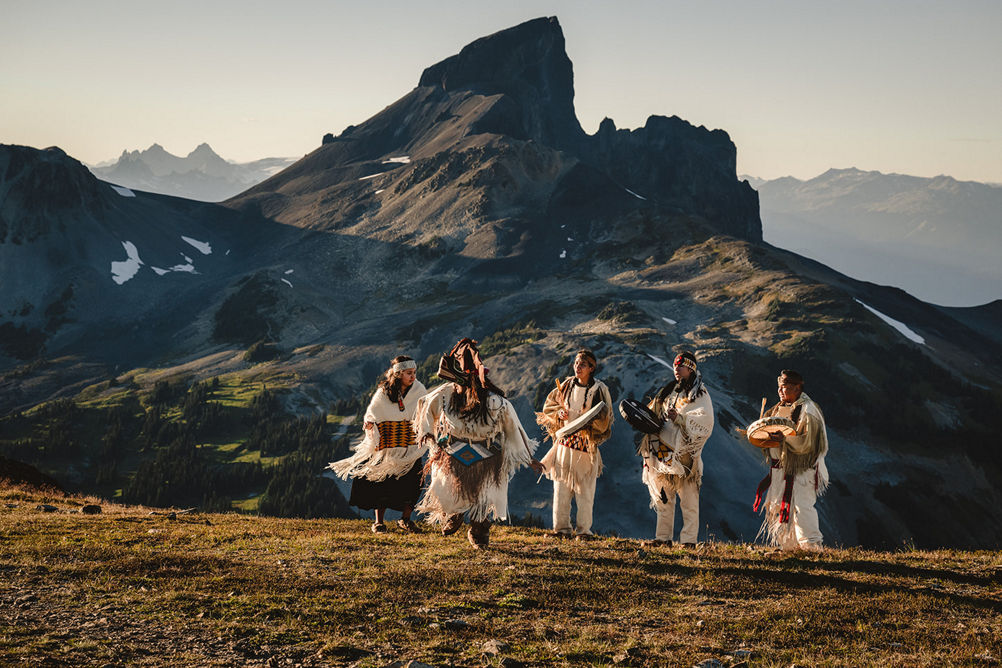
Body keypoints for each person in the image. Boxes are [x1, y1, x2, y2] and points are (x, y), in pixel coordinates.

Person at [413, 338, 543, 549]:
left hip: (486, 457)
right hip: (453, 453)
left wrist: (529, 458)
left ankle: (479, 529)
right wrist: (427, 433)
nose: (458, 386)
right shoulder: (445, 394)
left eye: (460, 382)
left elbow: (514, 429)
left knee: (484, 495)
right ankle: (454, 513)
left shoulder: (495, 402)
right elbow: (425, 407)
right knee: (449, 488)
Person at [328, 355, 427, 533]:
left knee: (414, 483)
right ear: (398, 374)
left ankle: (405, 519)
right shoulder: (384, 392)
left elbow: (426, 411)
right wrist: (370, 423)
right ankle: (378, 522)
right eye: (408, 373)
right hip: (387, 445)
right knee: (381, 482)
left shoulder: (419, 390)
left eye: (414, 372)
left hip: (410, 446)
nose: (413, 376)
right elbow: (372, 412)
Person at [638, 351, 714, 546]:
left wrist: (679, 418)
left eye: (681, 366)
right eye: (674, 366)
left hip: (685, 457)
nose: (676, 369)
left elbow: (705, 421)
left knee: (689, 501)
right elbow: (654, 414)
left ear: (691, 368)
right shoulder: (669, 391)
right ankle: (663, 538)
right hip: (663, 453)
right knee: (664, 499)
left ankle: (688, 541)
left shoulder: (700, 393)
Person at [536, 349, 614, 539]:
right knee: (561, 490)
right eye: (576, 363)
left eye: (583, 364)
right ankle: (561, 529)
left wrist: (589, 424)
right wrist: (559, 413)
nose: (578, 367)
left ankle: (584, 531)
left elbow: (606, 417)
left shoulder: (599, 389)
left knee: (584, 492)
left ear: (591, 368)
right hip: (564, 446)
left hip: (586, 448)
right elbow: (549, 406)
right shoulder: (566, 385)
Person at [754, 369, 829, 551]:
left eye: (785, 387)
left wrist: (785, 440)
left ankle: (811, 546)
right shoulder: (778, 409)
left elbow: (808, 442)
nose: (781, 391)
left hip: (802, 469)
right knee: (780, 505)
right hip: (781, 468)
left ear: (797, 388)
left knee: (802, 506)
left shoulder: (809, 410)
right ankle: (789, 547)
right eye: (779, 387)